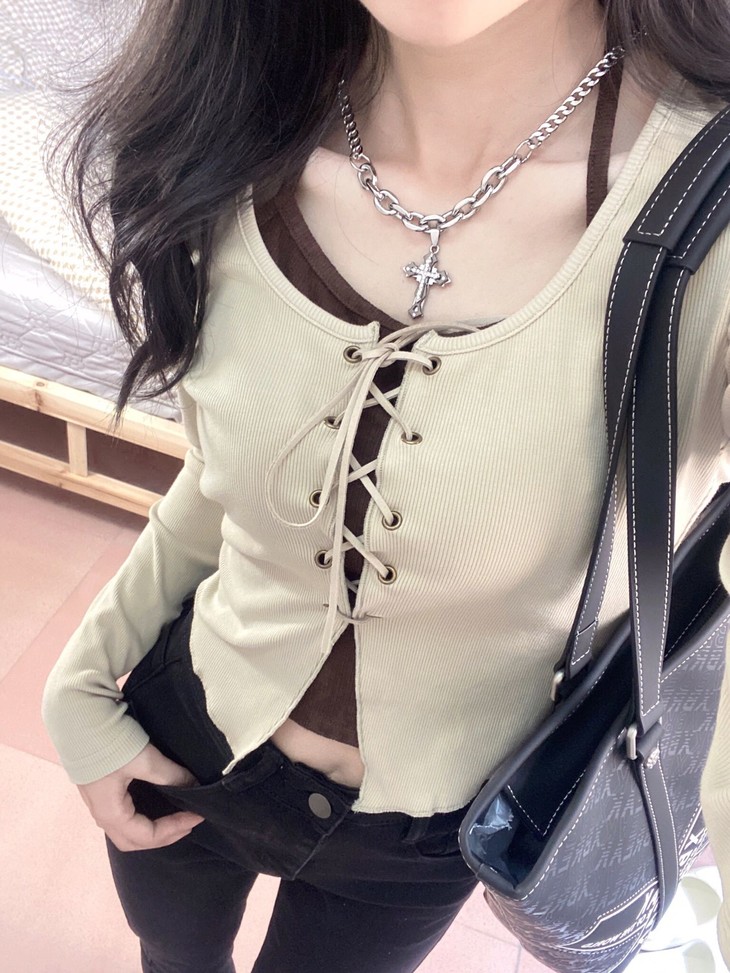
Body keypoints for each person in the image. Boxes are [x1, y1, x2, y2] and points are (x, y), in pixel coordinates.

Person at [40, 1, 730, 971]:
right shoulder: (233, 126)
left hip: (423, 835)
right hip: (189, 734)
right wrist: (78, 682)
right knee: (171, 952)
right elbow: (221, 484)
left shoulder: (709, 214)